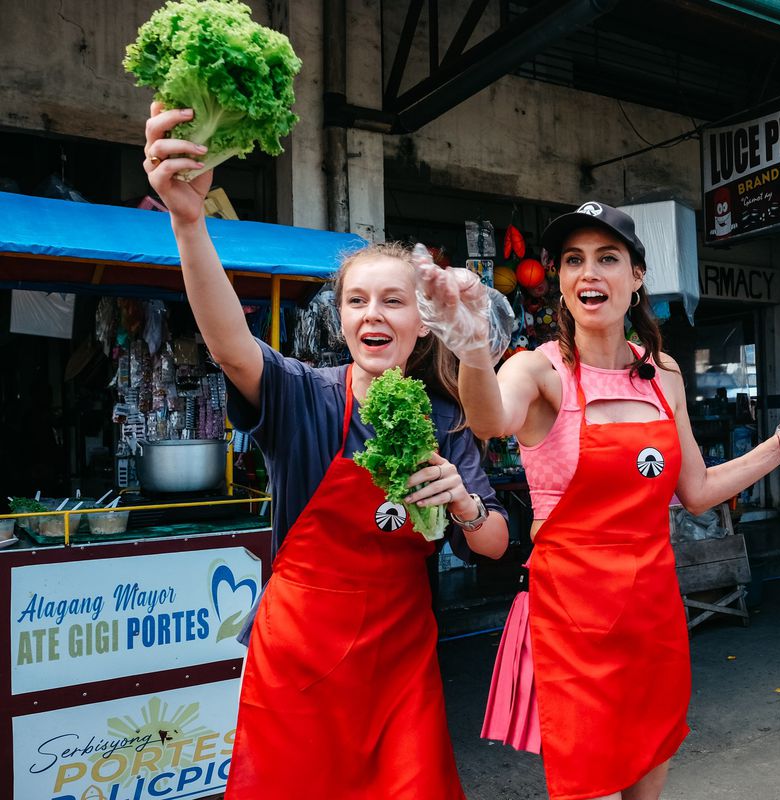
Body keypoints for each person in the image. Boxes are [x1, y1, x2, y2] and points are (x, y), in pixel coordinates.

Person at [143, 103, 509, 799]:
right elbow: (228, 344)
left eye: (393, 302)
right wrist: (189, 223)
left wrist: (461, 503)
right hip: (300, 663)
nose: (374, 314)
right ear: (340, 318)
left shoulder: (447, 419)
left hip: (401, 667)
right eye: (357, 301)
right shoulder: (300, 395)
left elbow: (494, 543)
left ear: (420, 323)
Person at [420, 202, 780, 800]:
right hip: (574, 624)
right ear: (558, 279)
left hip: (655, 616)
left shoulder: (662, 374)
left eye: (608, 259)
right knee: (590, 787)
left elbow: (698, 490)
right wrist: (472, 343)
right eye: (575, 260)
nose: (590, 274)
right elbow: (488, 417)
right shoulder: (538, 371)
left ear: (637, 277)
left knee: (649, 775)